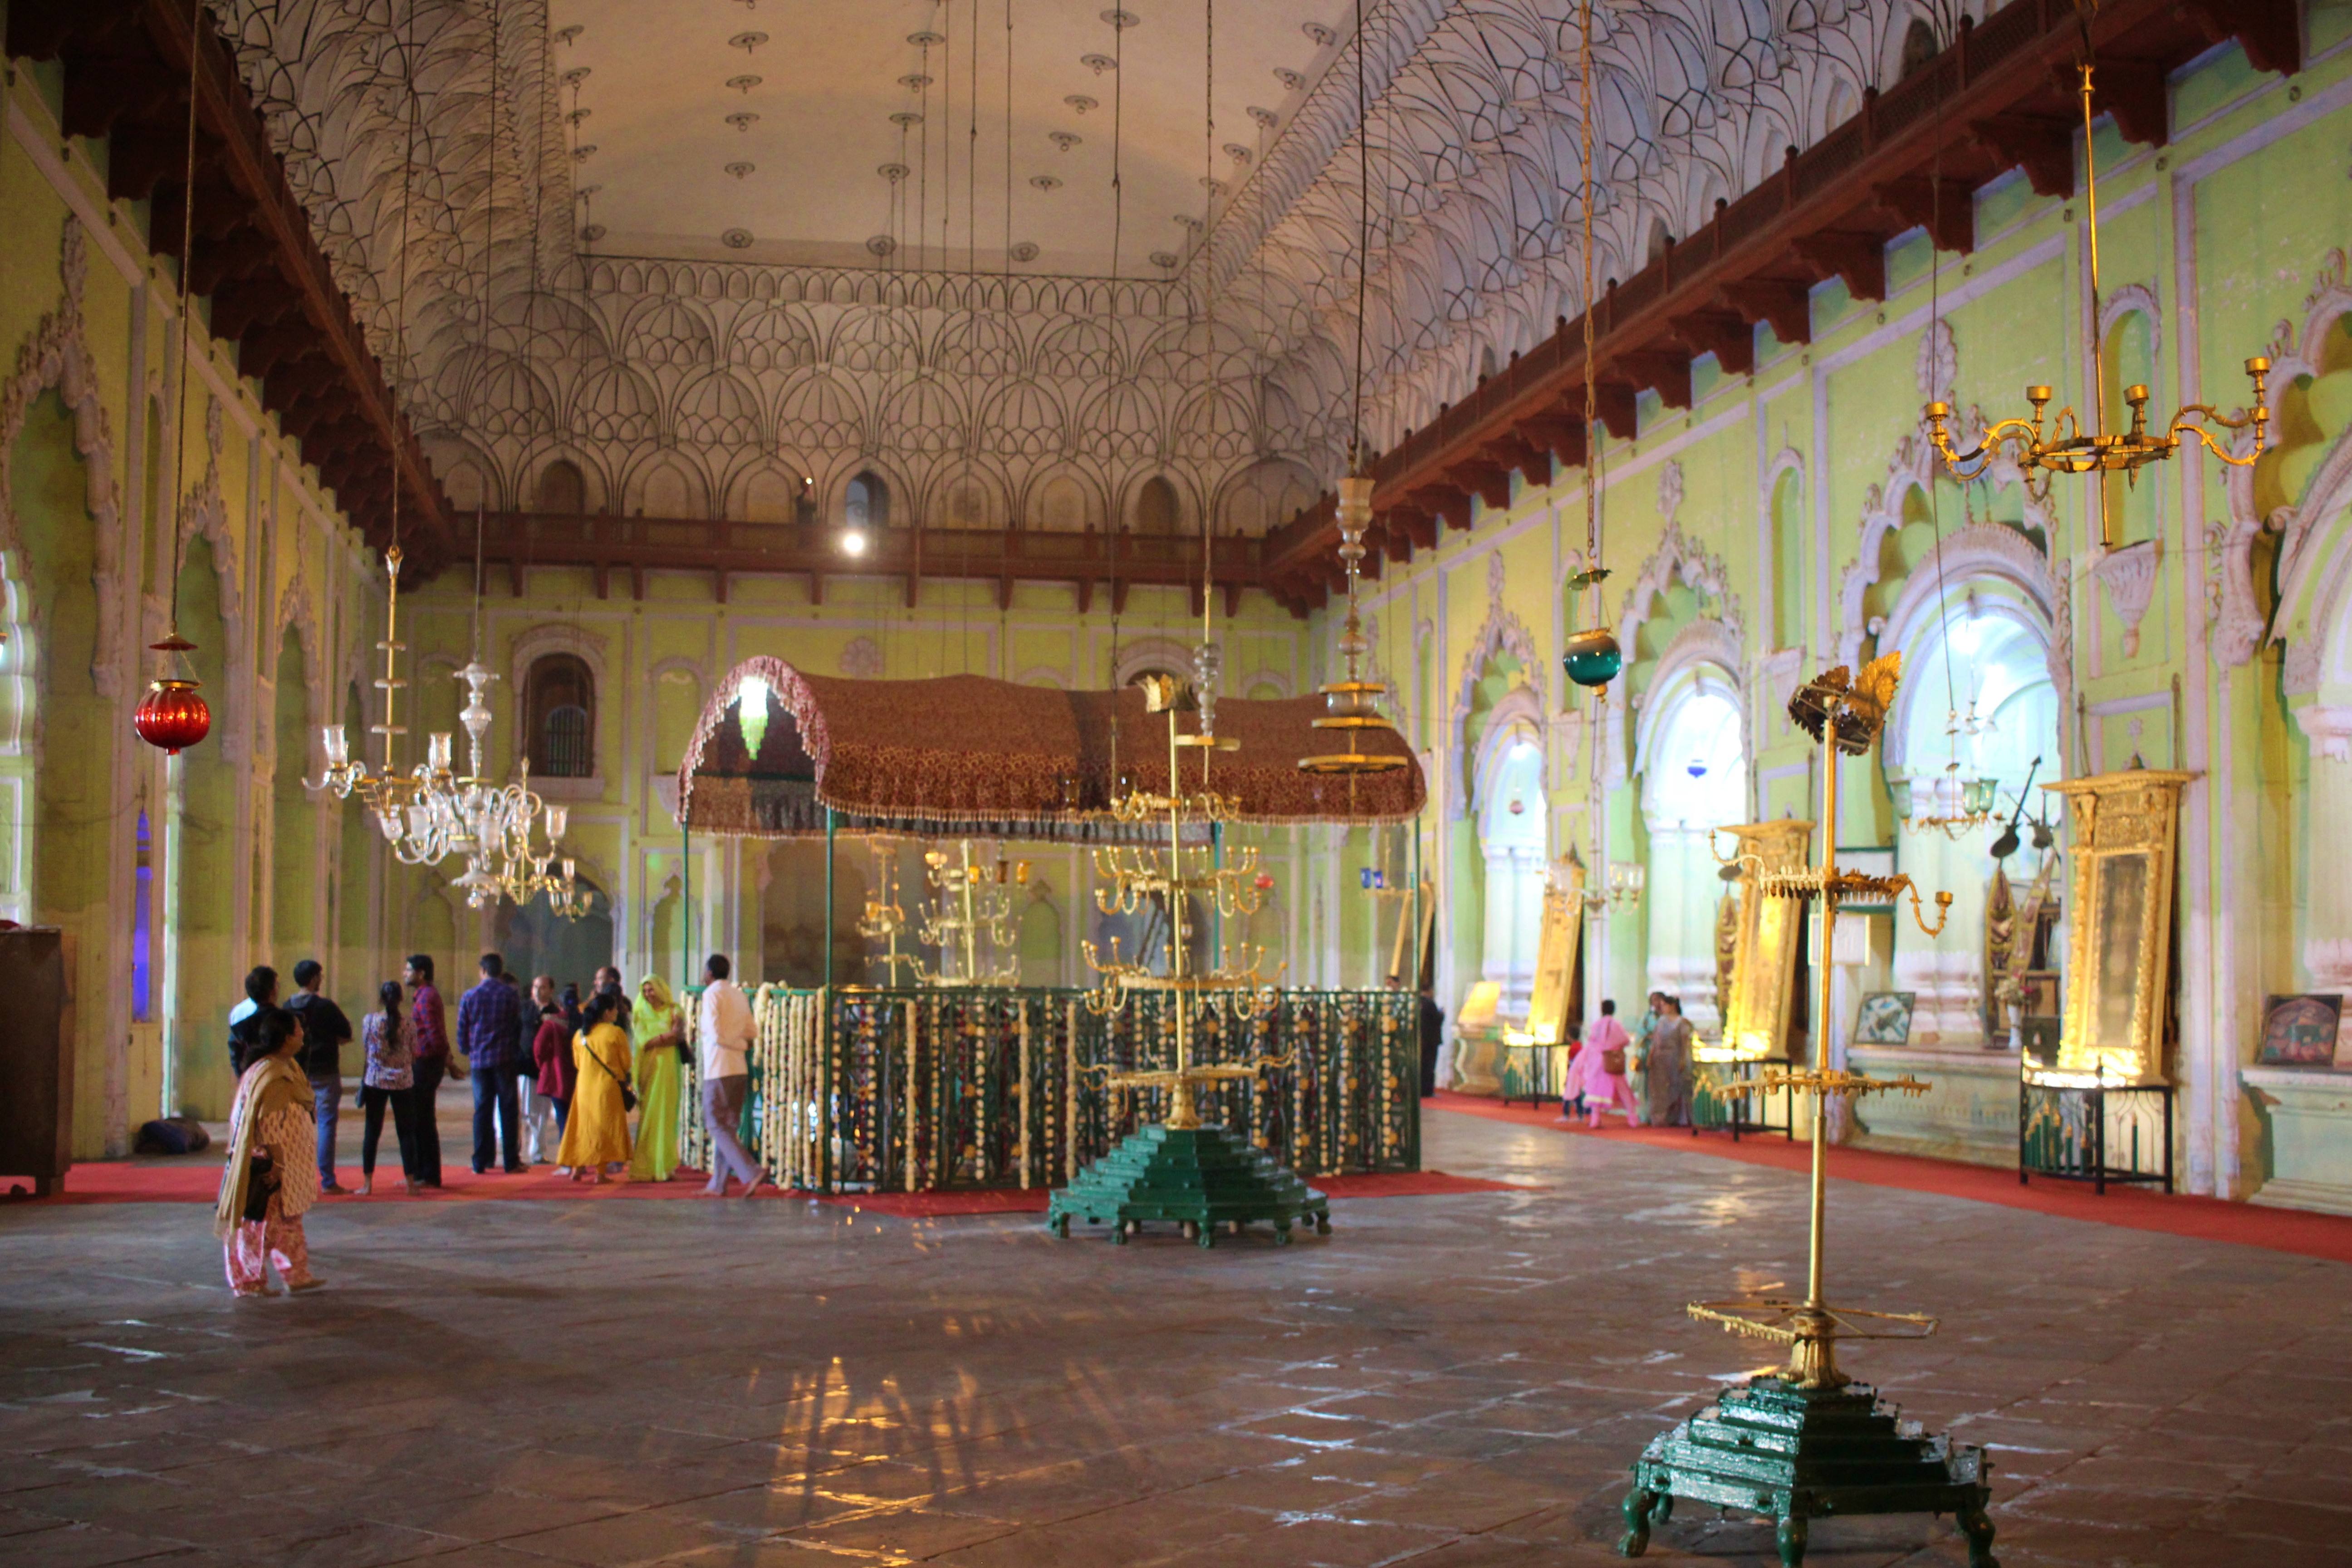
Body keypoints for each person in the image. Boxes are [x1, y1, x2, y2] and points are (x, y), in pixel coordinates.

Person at [215, 1006, 323, 1297]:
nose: (303, 1036)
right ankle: (249, 1282)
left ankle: (296, 1275)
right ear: (287, 1038)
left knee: (289, 1224)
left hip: (291, 1166)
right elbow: (268, 1126)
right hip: (271, 1167)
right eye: (299, 1031)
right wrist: (278, 1164)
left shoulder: (288, 1067)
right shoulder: (273, 1075)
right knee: (259, 1227)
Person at [696, 954, 763, 1198]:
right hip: (739, 1070)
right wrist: (742, 1045)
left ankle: (751, 1170)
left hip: (719, 1068)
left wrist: (735, 1045)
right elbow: (752, 1030)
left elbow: (715, 1035)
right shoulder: (738, 994)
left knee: (715, 1124)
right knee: (728, 1128)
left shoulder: (712, 994)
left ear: (710, 973)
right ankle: (719, 1183)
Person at [284, 959, 353, 1195]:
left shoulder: (286, 1009)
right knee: (326, 1125)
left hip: (294, 1073)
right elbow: (346, 1034)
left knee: (293, 1127)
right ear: (314, 979)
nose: (321, 980)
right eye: (320, 976)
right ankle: (328, 1180)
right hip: (325, 1072)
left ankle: (293, 1179)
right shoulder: (326, 1008)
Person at [459, 953, 528, 1175]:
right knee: (508, 1110)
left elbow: (463, 1028)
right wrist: (515, 1049)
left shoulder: (470, 996)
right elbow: (518, 1025)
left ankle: (482, 1161)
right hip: (505, 1059)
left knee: (482, 1110)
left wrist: (466, 1049)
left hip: (479, 1061)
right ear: (500, 971)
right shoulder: (510, 995)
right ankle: (511, 1161)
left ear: (483, 971)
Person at [556, 991, 633, 1182]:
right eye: (615, 1009)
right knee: (604, 1129)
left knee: (583, 1127)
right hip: (607, 1088)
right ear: (607, 1013)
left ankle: (578, 1168)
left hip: (583, 1087)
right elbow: (626, 1063)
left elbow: (577, 1063)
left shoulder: (580, 1035)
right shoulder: (615, 1033)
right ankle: (600, 1173)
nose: (617, 1012)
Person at [356, 980, 421, 1197]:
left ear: (381, 999)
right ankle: (411, 1184)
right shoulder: (410, 1024)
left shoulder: (370, 1021)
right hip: (403, 1082)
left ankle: (367, 1184)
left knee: (372, 1132)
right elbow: (414, 1054)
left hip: (375, 1081)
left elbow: (367, 1051)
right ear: (401, 999)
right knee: (406, 1133)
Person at [630, 975, 687, 1182]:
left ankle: (666, 1166)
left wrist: (662, 1039)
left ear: (661, 990)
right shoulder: (639, 1012)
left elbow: (678, 1035)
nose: (648, 994)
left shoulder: (675, 1010)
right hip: (650, 1069)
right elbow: (643, 1041)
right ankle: (648, 1165)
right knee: (651, 1115)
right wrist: (665, 1038)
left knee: (667, 1114)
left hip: (669, 1068)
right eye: (645, 990)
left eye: (651, 990)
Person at [405, 955, 448, 1188]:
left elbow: (434, 1034)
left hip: (427, 1063)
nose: (405, 974)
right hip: (426, 1062)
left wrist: (445, 1061)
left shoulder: (427, 997)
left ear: (421, 974)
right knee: (420, 1119)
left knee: (424, 1120)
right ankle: (422, 1172)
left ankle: (430, 1175)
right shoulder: (423, 995)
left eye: (409, 970)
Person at [1564, 999, 1640, 1129]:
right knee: (1623, 1089)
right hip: (1612, 1061)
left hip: (1597, 1063)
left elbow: (1593, 1043)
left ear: (1602, 1010)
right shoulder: (1616, 1025)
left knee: (1597, 1090)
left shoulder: (1596, 1025)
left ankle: (1595, 1120)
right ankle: (1633, 1118)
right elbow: (1625, 1040)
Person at [530, 984, 576, 1173]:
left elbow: (539, 1048)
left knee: (563, 1118)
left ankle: (567, 1161)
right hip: (580, 1076)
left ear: (559, 1004)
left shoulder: (551, 1023)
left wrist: (544, 1067)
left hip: (557, 1075)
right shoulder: (583, 1021)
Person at [520, 974, 561, 1162]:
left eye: (543, 987)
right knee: (522, 1111)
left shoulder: (556, 1013)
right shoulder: (525, 1009)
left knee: (539, 1112)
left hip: (544, 1069)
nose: (538, 991)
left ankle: (537, 1151)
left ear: (551, 990)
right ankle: (514, 1148)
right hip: (524, 1066)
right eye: (536, 987)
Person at [1647, 994, 1695, 1128]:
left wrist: (1682, 1059)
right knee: (1661, 1088)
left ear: (1673, 1006)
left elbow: (1684, 1042)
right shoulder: (1661, 1021)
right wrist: (1651, 1056)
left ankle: (1681, 1117)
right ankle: (1662, 1117)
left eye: (1664, 1005)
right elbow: (1655, 1041)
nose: (1662, 1008)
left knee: (1678, 1086)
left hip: (1674, 1055)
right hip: (1660, 1057)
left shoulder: (1681, 1022)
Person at [226, 966, 279, 1073]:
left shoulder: (238, 1019)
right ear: (273, 990)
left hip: (250, 1076)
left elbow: (236, 1057)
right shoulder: (286, 1021)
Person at [1416, 984, 1445, 1099]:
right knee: (1429, 1066)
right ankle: (1427, 1091)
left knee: (1421, 1065)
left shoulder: (1417, 1002)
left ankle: (1420, 1090)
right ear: (1430, 990)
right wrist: (1442, 1014)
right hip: (1431, 1040)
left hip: (1420, 1039)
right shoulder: (1430, 1003)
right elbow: (1437, 1019)